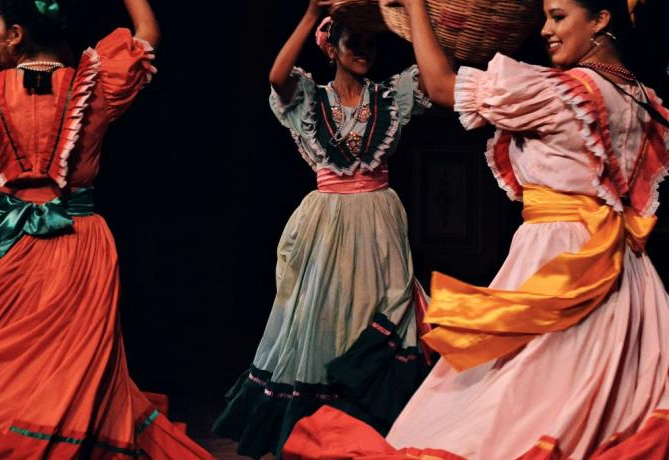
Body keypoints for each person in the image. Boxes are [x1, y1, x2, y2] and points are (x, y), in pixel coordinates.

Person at [281, 0, 669, 458]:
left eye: (558, 16)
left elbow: (442, 86)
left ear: (601, 19)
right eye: (544, 15)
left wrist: (416, 6)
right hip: (630, 275)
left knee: (523, 399)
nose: (544, 29)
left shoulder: (563, 92)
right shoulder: (643, 99)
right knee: (601, 399)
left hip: (562, 261)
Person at [0, 0, 213, 458]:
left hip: (2, 245)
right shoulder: (93, 82)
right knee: (65, 373)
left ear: (16, 34)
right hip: (76, 243)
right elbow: (148, 31)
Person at [212, 0, 433, 457]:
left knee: (383, 308)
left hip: (377, 219)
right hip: (327, 222)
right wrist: (312, 13)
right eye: (354, 42)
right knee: (323, 314)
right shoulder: (311, 98)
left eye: (370, 42)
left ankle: (371, 422)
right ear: (331, 47)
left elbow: (436, 76)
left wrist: (412, 14)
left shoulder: (390, 96)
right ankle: (319, 430)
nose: (364, 51)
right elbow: (276, 77)